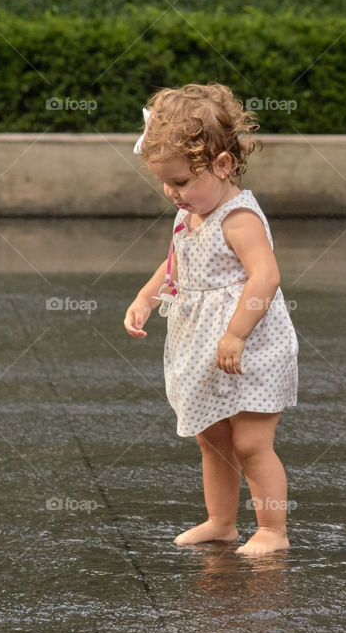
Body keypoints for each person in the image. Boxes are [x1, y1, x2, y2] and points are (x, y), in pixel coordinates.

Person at [124, 83, 298, 556]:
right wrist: (146, 297)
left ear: (222, 166)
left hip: (251, 346)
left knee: (251, 443)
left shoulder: (237, 218)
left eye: (180, 181)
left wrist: (237, 333)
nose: (172, 192)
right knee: (213, 438)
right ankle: (221, 522)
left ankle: (272, 531)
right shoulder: (191, 214)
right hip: (203, 346)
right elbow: (175, 262)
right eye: (165, 182)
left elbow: (266, 277)